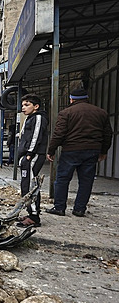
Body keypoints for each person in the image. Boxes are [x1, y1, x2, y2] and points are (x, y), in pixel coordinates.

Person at [46, 87, 113, 217]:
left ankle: (59, 207)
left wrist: (51, 150)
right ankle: (79, 209)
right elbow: (107, 134)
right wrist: (103, 151)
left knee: (62, 179)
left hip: (71, 150)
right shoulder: (101, 113)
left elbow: (59, 134)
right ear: (87, 99)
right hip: (92, 151)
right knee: (86, 181)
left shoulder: (66, 113)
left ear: (71, 99)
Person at [16, 94, 49, 228]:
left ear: (36, 106)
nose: (23, 107)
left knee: (31, 185)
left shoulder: (39, 117)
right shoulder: (30, 118)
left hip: (33, 156)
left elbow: (36, 136)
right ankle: (31, 213)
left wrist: (29, 153)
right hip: (27, 156)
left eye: (27, 105)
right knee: (26, 185)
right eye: (23, 105)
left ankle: (34, 217)